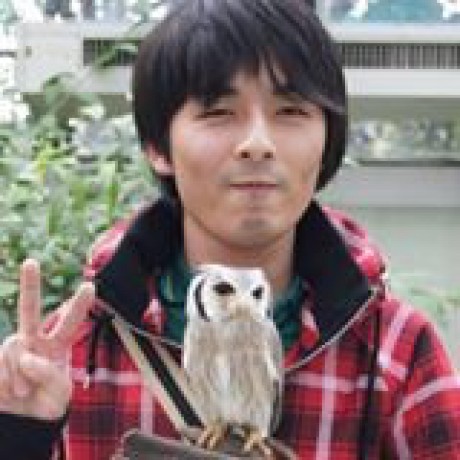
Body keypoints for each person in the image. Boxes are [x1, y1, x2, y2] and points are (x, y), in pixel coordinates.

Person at [1, 0, 459, 458]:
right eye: (218, 111)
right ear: (158, 147)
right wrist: (19, 435)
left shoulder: (394, 348)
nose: (257, 144)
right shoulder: (69, 348)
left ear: (327, 140)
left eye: (290, 111)